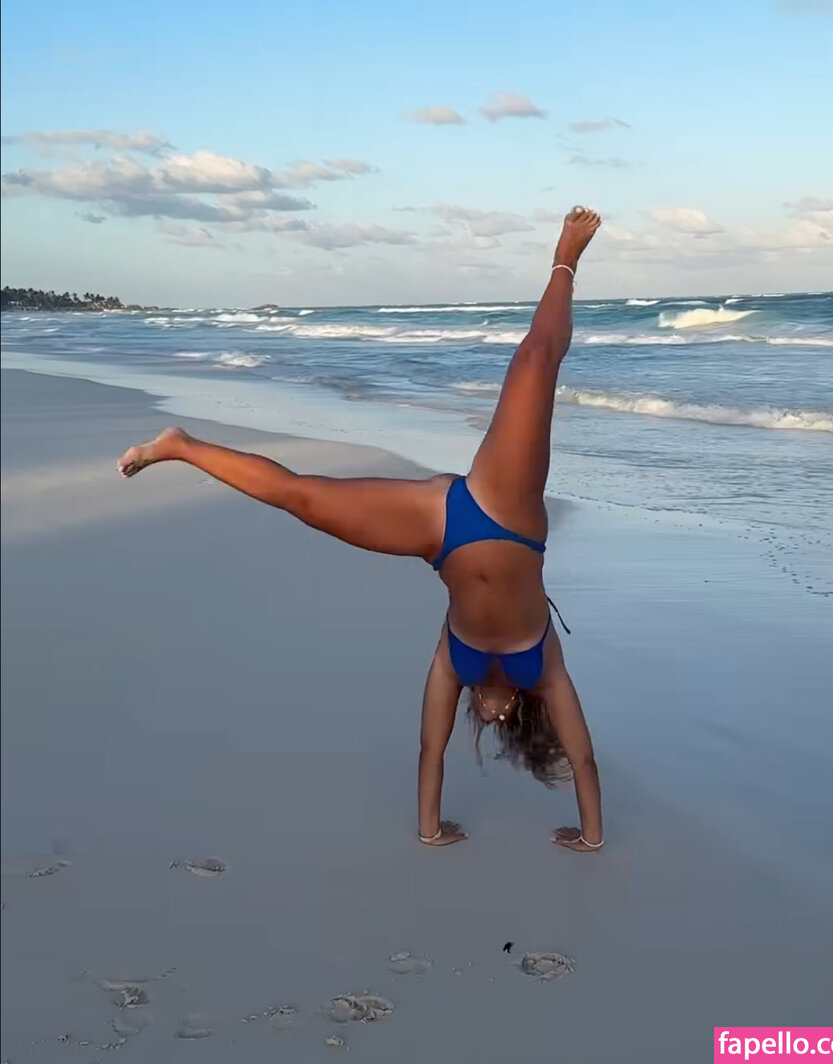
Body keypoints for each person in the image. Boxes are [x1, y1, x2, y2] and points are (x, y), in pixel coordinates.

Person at [118, 206, 604, 854]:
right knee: (536, 360)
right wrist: (592, 837)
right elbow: (584, 760)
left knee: (300, 498)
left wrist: (430, 831)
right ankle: (565, 258)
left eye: (481, 718)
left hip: (441, 531)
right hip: (507, 515)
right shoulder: (544, 670)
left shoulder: (453, 663)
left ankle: (179, 445)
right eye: (498, 715)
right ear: (518, 709)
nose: (486, 715)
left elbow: (430, 751)